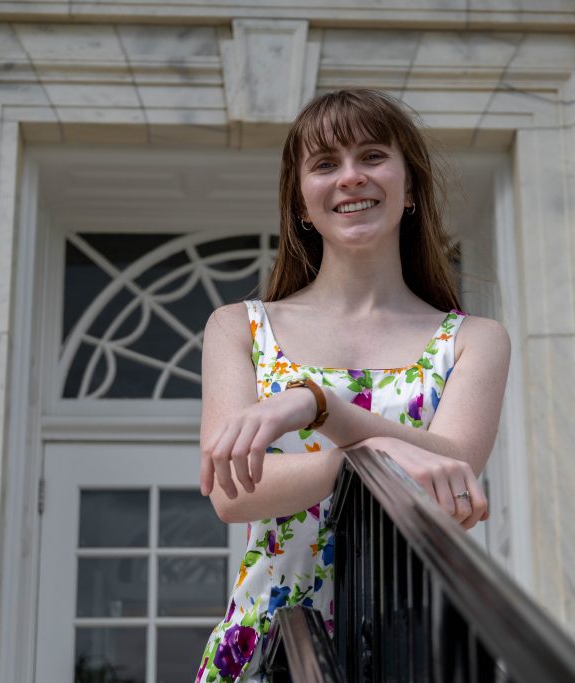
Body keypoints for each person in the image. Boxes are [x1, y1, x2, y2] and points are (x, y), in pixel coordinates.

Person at [194, 88, 510, 682]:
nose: (350, 177)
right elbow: (233, 493)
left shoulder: (474, 338)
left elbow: (450, 476)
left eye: (371, 156)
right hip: (271, 642)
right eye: (324, 164)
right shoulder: (238, 327)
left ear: (410, 188)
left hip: (414, 651)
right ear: (301, 203)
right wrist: (368, 455)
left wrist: (314, 406)